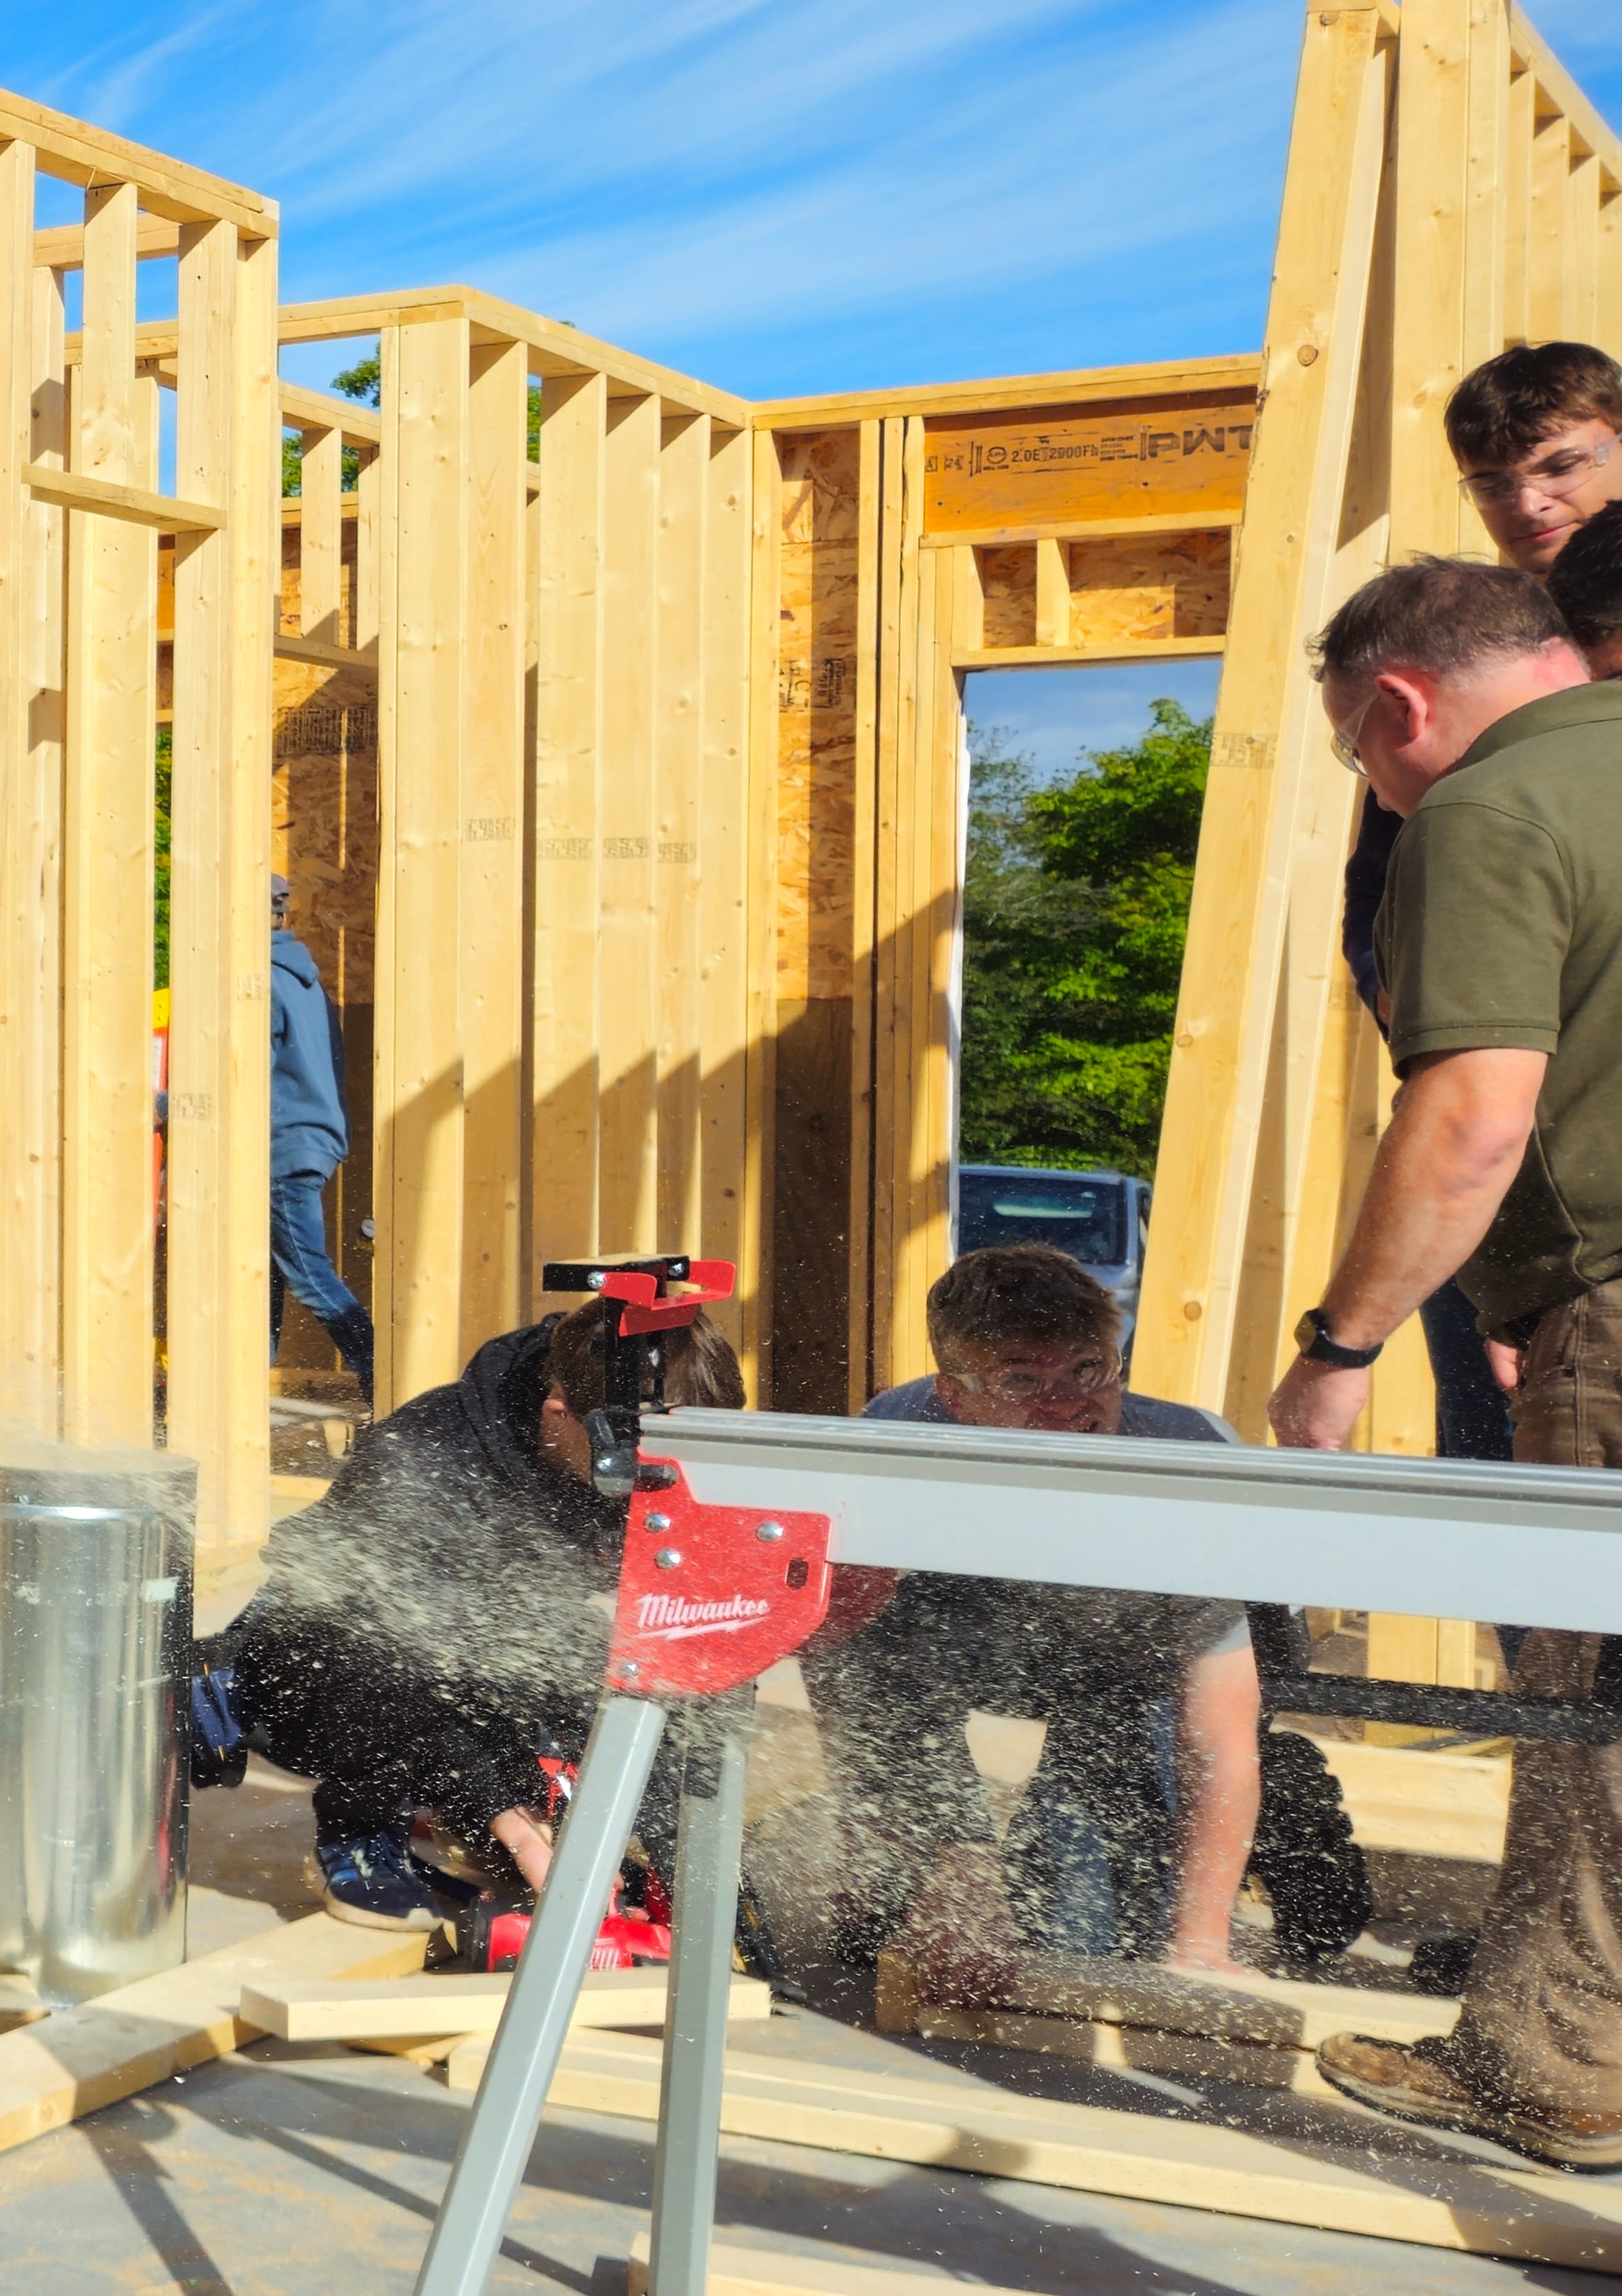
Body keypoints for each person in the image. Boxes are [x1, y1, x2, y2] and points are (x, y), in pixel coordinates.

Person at [1266, 554, 1622, 2173]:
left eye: (1360, 749)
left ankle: (1552, 2071)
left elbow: (1474, 1112)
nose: (1379, 779)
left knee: (1589, 1698)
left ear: (1400, 704)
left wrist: (1340, 1347)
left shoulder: (1482, 811)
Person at [808, 1244, 1350, 1980]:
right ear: (957, 1397)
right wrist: (936, 1865)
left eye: (1087, 1370)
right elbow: (850, 1669)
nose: (1064, 1403)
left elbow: (1217, 1737)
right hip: (982, 1644)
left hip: (1140, 1672)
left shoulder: (1187, 1470)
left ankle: (1282, 1811)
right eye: (1023, 1380)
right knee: (888, 1930)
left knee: (1079, 1940)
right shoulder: (896, 1442)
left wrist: (1201, 1948)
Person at [226, 1290, 745, 1933]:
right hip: (324, 1666)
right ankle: (359, 1833)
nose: (651, 1482)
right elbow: (428, 1660)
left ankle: (473, 1822)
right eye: (632, 1463)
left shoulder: (602, 1432)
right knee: (382, 1652)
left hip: (471, 1643)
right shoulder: (421, 1465)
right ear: (558, 1412)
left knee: (586, 1658)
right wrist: (510, 1818)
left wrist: (661, 1837)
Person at [1334, 345, 1622, 1459]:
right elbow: (1393, 939)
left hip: (1558, 1177)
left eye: (1558, 465)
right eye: (1494, 483)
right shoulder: (1476, 691)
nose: (1528, 503)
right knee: (1497, 1460)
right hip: (1525, 1158)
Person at [268, 873, 373, 1383]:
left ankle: (383, 1380)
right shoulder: (304, 980)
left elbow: (241, 1078)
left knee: (308, 1275)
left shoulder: (258, 983)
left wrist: (160, 1103)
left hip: (282, 1147)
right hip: (311, 1139)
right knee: (260, 1272)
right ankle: (243, 1392)